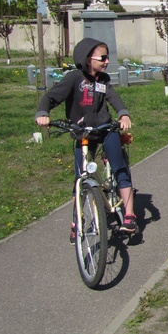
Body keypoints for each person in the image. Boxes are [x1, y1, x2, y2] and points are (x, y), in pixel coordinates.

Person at [35, 38, 135, 240]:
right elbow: (50, 97)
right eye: (103, 57)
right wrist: (43, 112)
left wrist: (123, 114)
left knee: (120, 170)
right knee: (81, 178)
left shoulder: (104, 80)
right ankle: (77, 221)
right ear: (88, 58)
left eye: (108, 57)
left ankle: (130, 215)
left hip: (106, 130)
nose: (107, 61)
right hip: (83, 134)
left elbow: (113, 98)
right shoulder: (74, 78)